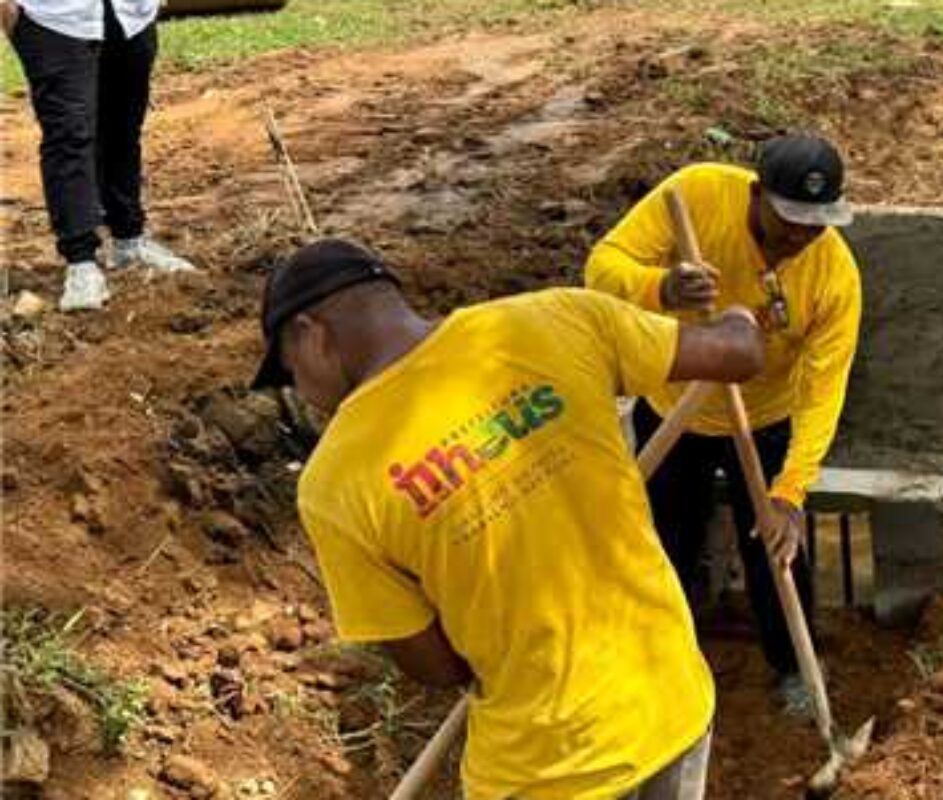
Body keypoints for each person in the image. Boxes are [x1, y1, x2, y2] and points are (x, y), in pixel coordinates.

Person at [251, 239, 766, 800]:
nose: (301, 392)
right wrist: (740, 316)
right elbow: (739, 353)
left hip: (546, 771)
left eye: (288, 372)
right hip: (672, 705)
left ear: (310, 334)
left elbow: (436, 668)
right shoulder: (558, 318)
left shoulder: (333, 483)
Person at [585, 134, 862, 711]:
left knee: (776, 550)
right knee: (665, 544)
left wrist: (789, 491)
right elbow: (601, 267)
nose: (800, 238)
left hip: (765, 418)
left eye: (816, 224)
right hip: (673, 408)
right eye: (789, 221)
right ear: (757, 194)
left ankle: (794, 671)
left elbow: (823, 388)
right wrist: (660, 286)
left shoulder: (834, 274)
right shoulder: (699, 193)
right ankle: (653, 664)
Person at [3, 0, 196, 312]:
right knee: (69, 136)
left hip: (130, 13)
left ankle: (128, 239)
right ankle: (80, 262)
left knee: (123, 127)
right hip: (54, 17)